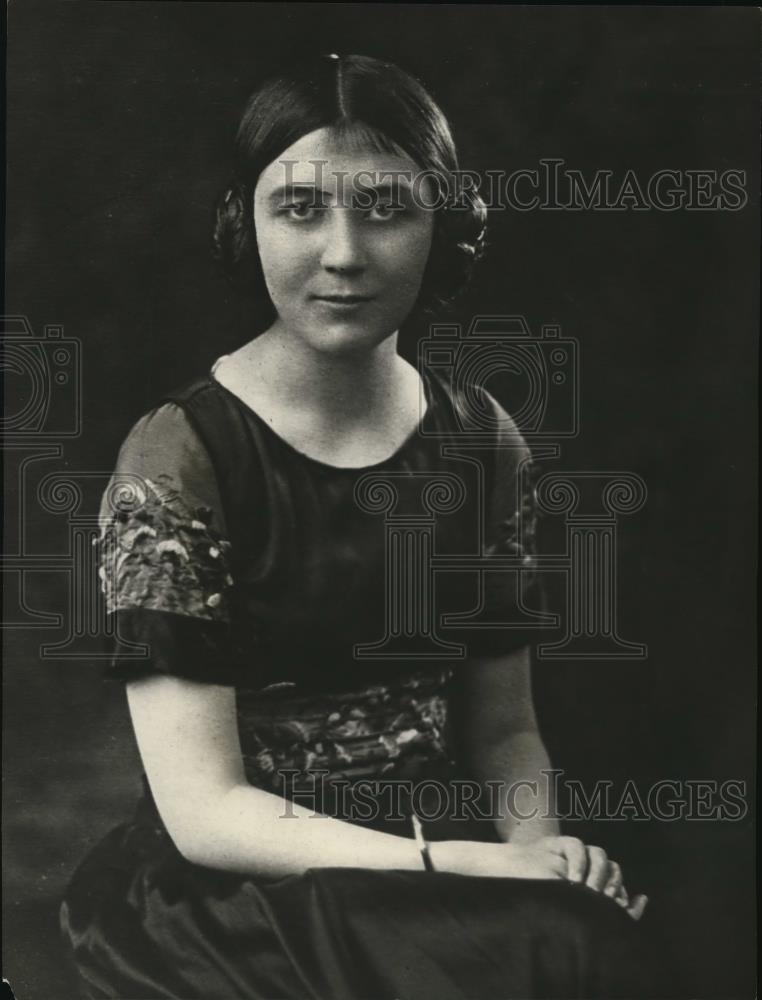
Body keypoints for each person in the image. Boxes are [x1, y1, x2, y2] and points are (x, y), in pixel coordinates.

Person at [60, 53, 664, 1000]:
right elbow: (207, 812)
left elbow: (505, 734)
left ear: (443, 226)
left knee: (582, 950)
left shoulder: (481, 438)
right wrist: (469, 869)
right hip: (248, 888)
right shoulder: (179, 454)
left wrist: (544, 857)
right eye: (299, 209)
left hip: (445, 846)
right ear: (242, 223)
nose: (344, 253)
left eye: (387, 208)